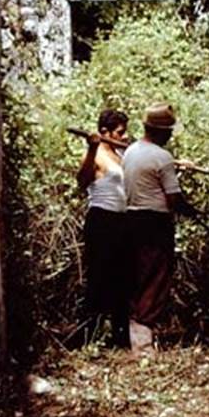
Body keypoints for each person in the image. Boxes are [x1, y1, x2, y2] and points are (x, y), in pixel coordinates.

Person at [122, 103, 196, 355]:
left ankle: (137, 337)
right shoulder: (162, 157)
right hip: (154, 223)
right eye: (169, 131)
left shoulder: (131, 151)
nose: (171, 135)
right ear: (160, 131)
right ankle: (142, 346)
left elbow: (151, 181)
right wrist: (192, 211)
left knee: (139, 277)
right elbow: (173, 198)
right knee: (156, 278)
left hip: (131, 219)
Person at [77, 108, 130, 348]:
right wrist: (91, 148)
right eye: (119, 132)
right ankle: (90, 336)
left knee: (122, 278)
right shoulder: (96, 154)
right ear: (104, 132)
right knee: (98, 278)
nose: (123, 136)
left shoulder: (121, 155)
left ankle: (120, 336)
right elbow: (82, 181)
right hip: (101, 221)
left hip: (121, 221)